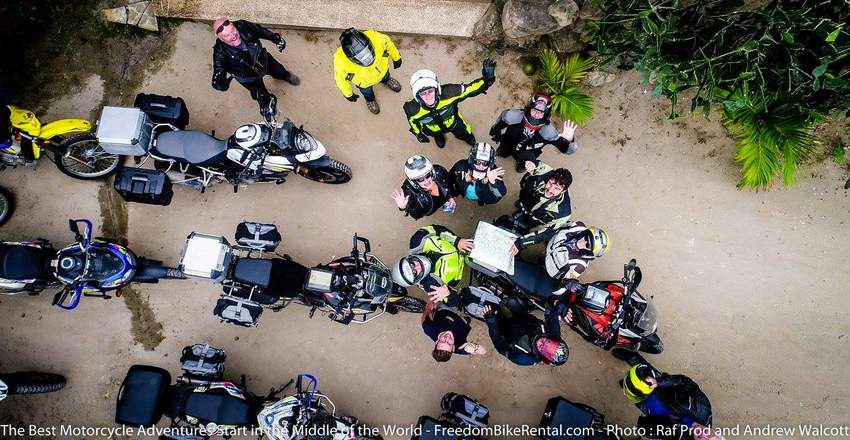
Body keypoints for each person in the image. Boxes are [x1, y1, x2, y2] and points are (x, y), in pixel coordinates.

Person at [211, 18, 299, 113]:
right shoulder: (220, 52)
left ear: (234, 25)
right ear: (220, 38)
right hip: (247, 78)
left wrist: (275, 38)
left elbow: (260, 30)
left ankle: (285, 76)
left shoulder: (243, 25)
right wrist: (220, 83)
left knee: (279, 70)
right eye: (227, 35)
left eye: (232, 30)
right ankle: (268, 105)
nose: (233, 36)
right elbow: (218, 69)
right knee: (261, 96)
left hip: (263, 60)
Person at [404, 59, 497, 149]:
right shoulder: (412, 110)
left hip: (453, 121)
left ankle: (466, 136)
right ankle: (439, 136)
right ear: (417, 96)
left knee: (464, 132)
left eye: (430, 91)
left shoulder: (450, 93)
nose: (428, 96)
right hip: (433, 129)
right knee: (436, 133)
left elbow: (470, 89)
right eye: (423, 93)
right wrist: (418, 134)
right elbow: (412, 122)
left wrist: (487, 80)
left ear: (437, 89)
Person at [621, 362, 714, 440]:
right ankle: (630, 355)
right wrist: (660, 382)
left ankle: (627, 386)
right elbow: (685, 382)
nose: (703, 436)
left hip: (645, 404)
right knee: (640, 367)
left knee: (630, 389)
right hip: (657, 385)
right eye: (709, 436)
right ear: (717, 435)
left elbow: (645, 428)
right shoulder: (704, 408)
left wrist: (663, 427)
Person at [489, 93, 579, 172]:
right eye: (534, 110)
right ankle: (503, 152)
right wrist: (496, 134)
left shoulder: (548, 132)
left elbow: (568, 150)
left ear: (546, 114)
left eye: (540, 113)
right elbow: (499, 123)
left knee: (525, 164)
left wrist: (570, 140)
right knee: (504, 152)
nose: (536, 115)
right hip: (508, 143)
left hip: (528, 154)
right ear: (529, 108)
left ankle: (521, 166)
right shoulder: (512, 115)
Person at [391, 225, 473, 306]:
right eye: (415, 272)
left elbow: (435, 229)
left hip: (461, 243)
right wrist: (448, 294)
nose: (418, 266)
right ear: (417, 280)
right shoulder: (431, 285)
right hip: (462, 264)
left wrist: (456, 241)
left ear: (408, 258)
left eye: (412, 265)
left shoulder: (417, 241)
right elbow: (456, 302)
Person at [500, 162, 573, 254]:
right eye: (550, 183)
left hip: (539, 216)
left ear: (564, 191)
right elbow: (532, 161)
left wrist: (521, 243)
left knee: (530, 221)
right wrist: (528, 162)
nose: (550, 190)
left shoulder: (563, 214)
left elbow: (546, 233)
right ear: (549, 178)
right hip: (531, 198)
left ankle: (527, 221)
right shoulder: (546, 172)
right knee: (524, 203)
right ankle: (523, 210)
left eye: (557, 188)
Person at [334, 28, 403, 114]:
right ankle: (370, 100)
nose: (367, 59)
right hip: (364, 83)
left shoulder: (376, 37)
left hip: (382, 70)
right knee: (367, 93)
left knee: (386, 77)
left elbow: (389, 44)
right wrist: (348, 94)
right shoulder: (340, 60)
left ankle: (387, 80)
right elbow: (340, 79)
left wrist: (396, 57)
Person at [482, 304, 569, 366]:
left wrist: (491, 322)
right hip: (520, 313)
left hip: (502, 326)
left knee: (485, 305)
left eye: (542, 347)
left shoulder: (522, 358)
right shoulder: (554, 335)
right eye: (548, 341)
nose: (541, 341)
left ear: (543, 357)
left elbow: (500, 346)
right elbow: (550, 309)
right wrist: (558, 304)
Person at [392, 155, 456, 219]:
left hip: (441, 200)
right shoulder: (408, 191)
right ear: (413, 181)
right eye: (420, 179)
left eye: (428, 175)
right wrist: (403, 207)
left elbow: (448, 185)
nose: (426, 181)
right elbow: (415, 214)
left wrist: (450, 197)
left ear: (432, 172)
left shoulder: (439, 171)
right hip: (430, 209)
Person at [421, 301, 486, 362]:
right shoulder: (460, 347)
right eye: (449, 343)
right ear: (453, 348)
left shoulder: (429, 329)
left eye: (443, 341)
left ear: (437, 342)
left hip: (444, 308)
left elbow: (424, 318)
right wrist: (475, 347)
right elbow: (483, 352)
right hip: (462, 316)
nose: (447, 337)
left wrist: (428, 308)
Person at [544, 221, 609, 281]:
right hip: (548, 243)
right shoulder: (577, 226)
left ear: (589, 253)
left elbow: (570, 278)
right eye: (586, 237)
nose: (582, 242)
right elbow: (561, 224)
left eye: (587, 245)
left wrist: (569, 281)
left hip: (549, 267)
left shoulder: (580, 266)